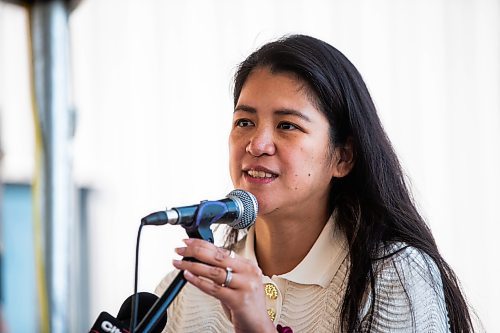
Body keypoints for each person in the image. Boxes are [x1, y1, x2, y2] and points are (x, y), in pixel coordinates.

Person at [155, 34, 474, 332]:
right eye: (245, 122)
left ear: (343, 157)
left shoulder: (395, 276)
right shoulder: (186, 288)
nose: (257, 144)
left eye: (287, 125)